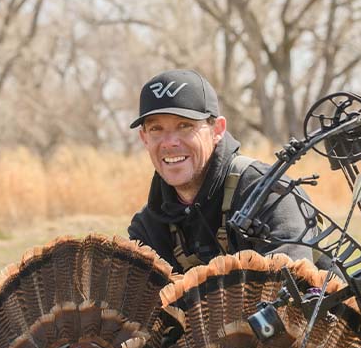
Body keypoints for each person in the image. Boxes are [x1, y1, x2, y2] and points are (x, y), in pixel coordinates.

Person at [127, 69, 316, 272]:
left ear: (217, 129)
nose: (170, 142)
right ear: (144, 138)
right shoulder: (148, 227)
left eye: (185, 126)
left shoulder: (271, 194)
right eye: (156, 129)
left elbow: (294, 291)